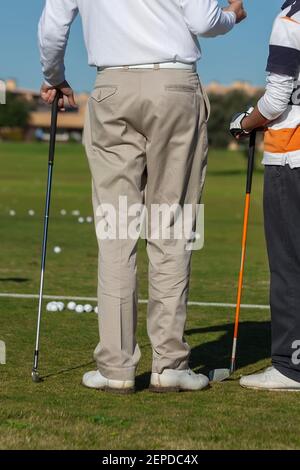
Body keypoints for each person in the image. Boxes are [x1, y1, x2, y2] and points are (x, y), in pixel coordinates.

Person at [39, 0, 246, 394]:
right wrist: (233, 15)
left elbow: (52, 28)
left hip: (112, 87)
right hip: (175, 87)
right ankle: (169, 365)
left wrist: (54, 75)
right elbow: (204, 21)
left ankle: (116, 367)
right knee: (172, 226)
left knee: (117, 230)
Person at [230, 0, 300, 391]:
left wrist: (244, 122)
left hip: (293, 154)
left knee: (290, 263)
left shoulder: (290, 19)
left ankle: (292, 367)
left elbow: (276, 101)